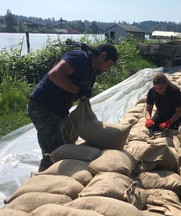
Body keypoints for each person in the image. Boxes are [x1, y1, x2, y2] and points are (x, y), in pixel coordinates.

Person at [27, 42, 118, 172]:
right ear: (103, 55)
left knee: (71, 138)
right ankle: (39, 183)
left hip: (60, 110)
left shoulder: (91, 73)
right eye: (109, 65)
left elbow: (80, 95)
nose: (107, 69)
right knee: (54, 153)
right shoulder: (79, 58)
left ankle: (62, 174)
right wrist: (77, 91)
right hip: (43, 107)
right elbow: (55, 74)